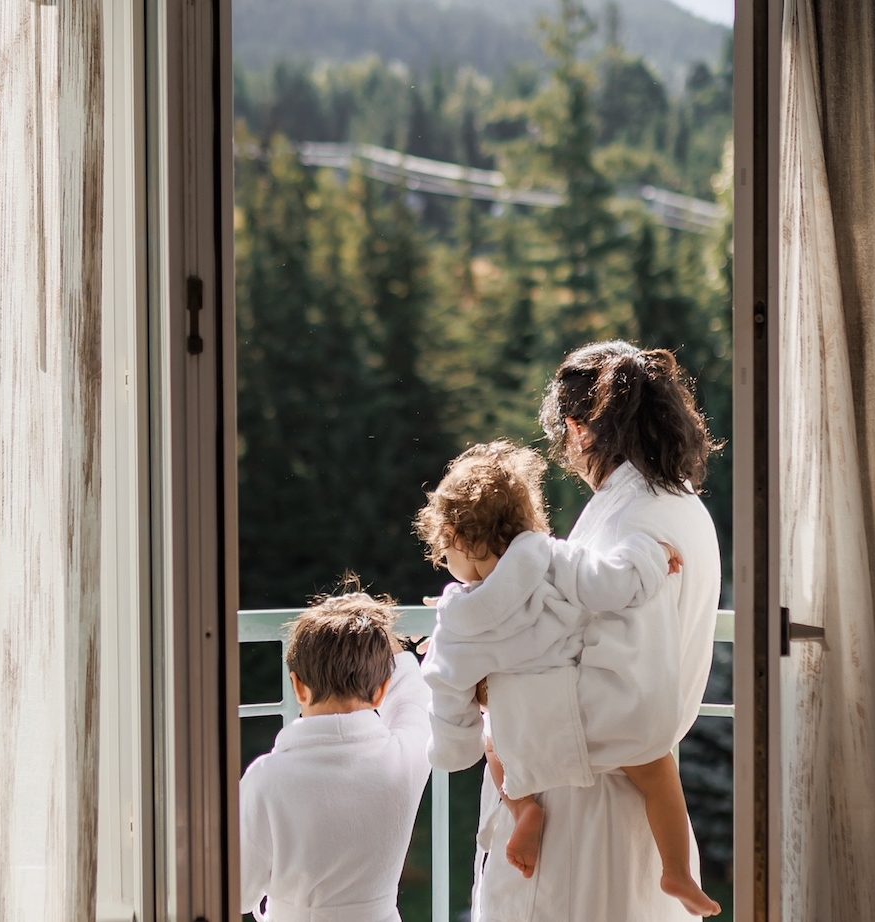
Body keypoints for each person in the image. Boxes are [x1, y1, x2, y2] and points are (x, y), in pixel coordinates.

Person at [465, 341, 724, 922]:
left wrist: (495, 681)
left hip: (587, 815)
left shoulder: (631, 522)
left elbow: (621, 698)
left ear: (579, 429)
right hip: (613, 802)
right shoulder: (679, 507)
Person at [414, 440, 719, 916]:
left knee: (497, 750)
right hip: (580, 719)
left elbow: (447, 691)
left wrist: (455, 745)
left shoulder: (455, 622)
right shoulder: (554, 558)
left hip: (523, 740)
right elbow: (613, 586)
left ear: (454, 537)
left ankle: (523, 809)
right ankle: (676, 870)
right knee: (655, 768)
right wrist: (649, 553)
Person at [238, 588, 432, 922]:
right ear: (381, 691)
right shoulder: (406, 757)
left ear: (297, 686)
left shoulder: (266, 777)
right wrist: (380, 631)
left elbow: (240, 891)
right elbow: (412, 694)